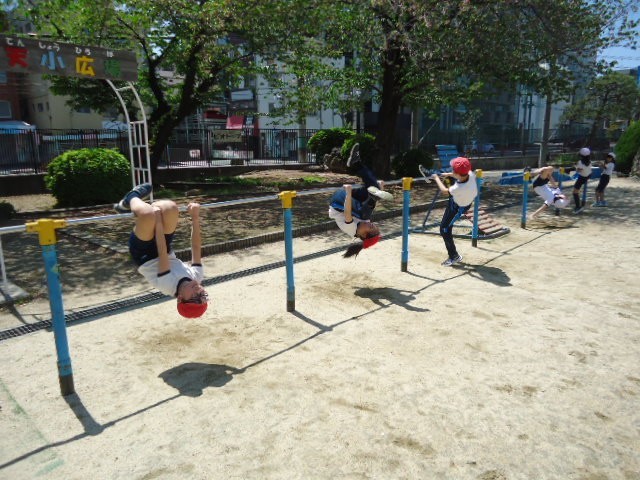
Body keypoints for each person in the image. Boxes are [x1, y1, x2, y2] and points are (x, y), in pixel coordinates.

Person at [114, 183, 209, 318]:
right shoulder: (197, 277)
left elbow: (161, 251)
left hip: (143, 254)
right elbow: (196, 247)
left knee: (148, 215)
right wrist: (195, 217)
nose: (198, 291)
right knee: (171, 208)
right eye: (203, 296)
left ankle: (131, 198)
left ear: (180, 298)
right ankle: (135, 207)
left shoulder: (167, 286)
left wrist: (158, 220)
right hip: (163, 247)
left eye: (195, 298)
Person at [328, 143, 393, 258]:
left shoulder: (351, 229)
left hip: (339, 203)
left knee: (364, 213)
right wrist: (380, 188)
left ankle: (375, 192)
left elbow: (347, 212)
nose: (370, 223)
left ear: (362, 235)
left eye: (370, 227)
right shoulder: (365, 222)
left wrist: (348, 192)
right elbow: (371, 206)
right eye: (373, 225)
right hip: (353, 201)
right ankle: (356, 163)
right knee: (373, 188)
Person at [431, 157, 478, 266]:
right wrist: (447, 174)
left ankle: (454, 256)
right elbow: (459, 174)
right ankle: (453, 254)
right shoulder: (471, 174)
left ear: (457, 173)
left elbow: (444, 191)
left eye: (453, 170)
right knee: (449, 180)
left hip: (458, 207)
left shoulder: (458, 187)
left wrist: (436, 178)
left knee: (444, 229)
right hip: (464, 199)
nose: (452, 171)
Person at [572, 147, 592, 214]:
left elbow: (578, 170)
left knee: (575, 192)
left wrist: (575, 166)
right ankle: (579, 206)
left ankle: (578, 207)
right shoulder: (589, 161)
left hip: (582, 177)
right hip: (588, 176)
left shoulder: (580, 162)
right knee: (577, 190)